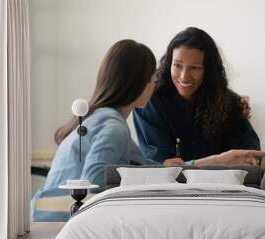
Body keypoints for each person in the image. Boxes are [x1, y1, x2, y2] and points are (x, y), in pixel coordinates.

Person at [31, 39, 181, 221]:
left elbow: (143, 164)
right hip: (57, 224)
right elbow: (94, 181)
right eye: (154, 79)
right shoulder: (113, 127)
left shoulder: (101, 117)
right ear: (139, 82)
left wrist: (194, 165)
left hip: (44, 215)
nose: (155, 85)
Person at [133, 27, 264, 166]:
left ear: (208, 71)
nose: (184, 76)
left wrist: (257, 160)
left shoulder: (226, 101)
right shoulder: (150, 101)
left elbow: (249, 150)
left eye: (195, 68)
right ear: (168, 64)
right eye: (177, 65)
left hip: (225, 184)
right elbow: (161, 166)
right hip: (173, 187)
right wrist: (219, 162)